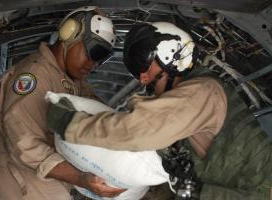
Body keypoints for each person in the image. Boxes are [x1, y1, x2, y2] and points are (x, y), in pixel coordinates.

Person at [47, 22, 272, 199]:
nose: (142, 78)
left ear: (170, 51)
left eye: (142, 64)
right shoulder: (189, 100)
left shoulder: (202, 91)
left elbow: (137, 130)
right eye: (137, 71)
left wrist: (69, 124)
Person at [0, 6, 125, 200]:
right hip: (21, 184)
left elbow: (97, 111)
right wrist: (80, 178)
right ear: (69, 34)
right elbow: (25, 144)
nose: (93, 64)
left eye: (101, 59)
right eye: (94, 52)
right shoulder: (35, 75)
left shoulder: (73, 81)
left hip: (45, 184)